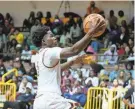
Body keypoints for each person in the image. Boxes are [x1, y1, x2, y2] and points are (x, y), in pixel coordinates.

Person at [32, 20, 104, 108]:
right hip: (51, 100)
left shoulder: (39, 55)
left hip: (39, 102)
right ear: (43, 41)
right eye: (51, 36)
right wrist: (90, 34)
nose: (55, 38)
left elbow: (58, 68)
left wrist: (72, 62)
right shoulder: (49, 51)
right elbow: (74, 50)